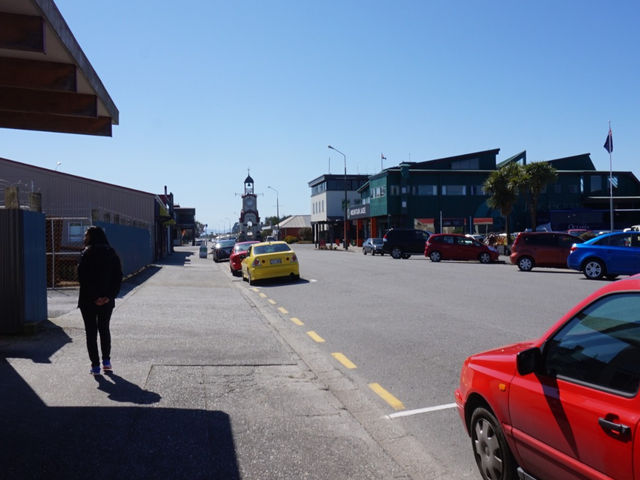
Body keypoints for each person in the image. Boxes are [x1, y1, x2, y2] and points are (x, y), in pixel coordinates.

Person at [77, 226, 123, 375]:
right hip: (107, 301)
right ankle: (107, 362)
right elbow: (118, 277)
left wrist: (94, 297)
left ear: (91, 237)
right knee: (104, 329)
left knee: (91, 332)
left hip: (88, 301)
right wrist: (108, 296)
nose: (84, 238)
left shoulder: (86, 254)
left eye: (86, 235)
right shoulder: (112, 253)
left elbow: (82, 279)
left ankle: (95, 366)